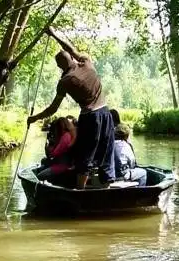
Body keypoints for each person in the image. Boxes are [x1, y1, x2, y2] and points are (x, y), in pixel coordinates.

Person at [27, 27, 115, 188]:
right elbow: (71, 48)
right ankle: (106, 188)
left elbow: (53, 109)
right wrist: (54, 34)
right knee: (106, 150)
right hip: (105, 112)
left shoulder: (65, 81)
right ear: (72, 59)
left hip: (90, 117)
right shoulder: (87, 63)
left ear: (60, 67)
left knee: (85, 155)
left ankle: (80, 191)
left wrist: (34, 118)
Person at [37, 117, 75, 182]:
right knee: (42, 164)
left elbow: (53, 154)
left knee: (40, 176)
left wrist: (47, 148)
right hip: (60, 163)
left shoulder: (65, 137)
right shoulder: (67, 135)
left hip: (62, 165)